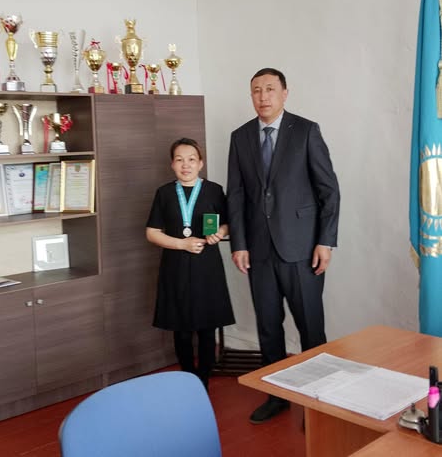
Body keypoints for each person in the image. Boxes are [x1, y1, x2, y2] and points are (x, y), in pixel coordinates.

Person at [227, 68, 340, 423]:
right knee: (268, 327)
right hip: (258, 251)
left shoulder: (306, 131)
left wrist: (325, 241)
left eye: (270, 89)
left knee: (311, 327)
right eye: (256, 90)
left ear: (285, 93)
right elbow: (236, 195)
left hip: (302, 249)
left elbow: (329, 190)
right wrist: (239, 244)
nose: (263, 96)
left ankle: (318, 405)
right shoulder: (240, 137)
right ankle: (276, 397)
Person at [146, 137, 235, 390]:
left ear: (201, 163)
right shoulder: (164, 193)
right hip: (175, 266)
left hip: (207, 267)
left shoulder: (214, 190)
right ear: (172, 164)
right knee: (181, 329)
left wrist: (219, 233)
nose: (186, 165)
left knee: (207, 327)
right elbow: (152, 233)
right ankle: (188, 377)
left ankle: (203, 380)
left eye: (191, 159)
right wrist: (181, 244)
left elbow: (228, 223)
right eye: (179, 160)